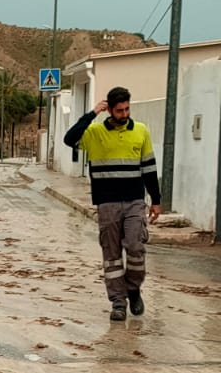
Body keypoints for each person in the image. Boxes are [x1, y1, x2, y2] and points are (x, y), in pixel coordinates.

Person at [63, 85, 161, 320]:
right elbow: (69, 139)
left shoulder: (141, 130)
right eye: (119, 111)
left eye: (127, 109)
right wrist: (91, 113)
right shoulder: (93, 133)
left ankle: (133, 288)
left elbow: (148, 168)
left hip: (135, 201)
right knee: (112, 255)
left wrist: (156, 200)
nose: (124, 114)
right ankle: (118, 303)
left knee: (136, 247)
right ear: (110, 110)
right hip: (107, 203)